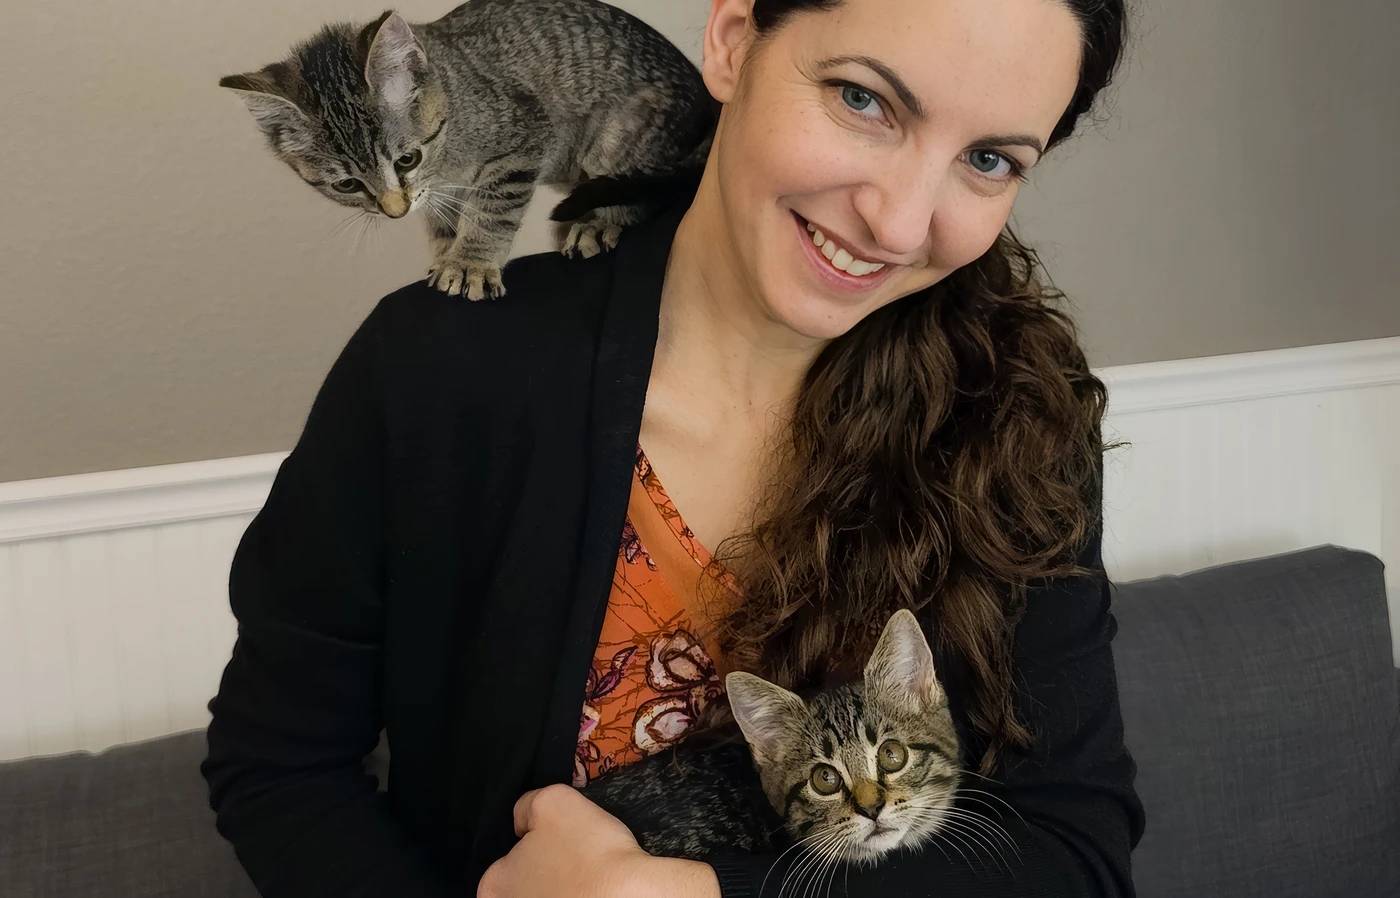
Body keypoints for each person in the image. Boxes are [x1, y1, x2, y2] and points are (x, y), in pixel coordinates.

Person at [201, 0, 1146, 895]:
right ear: (732, 39)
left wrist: (684, 891)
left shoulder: (1019, 413)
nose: (897, 222)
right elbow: (282, 769)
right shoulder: (433, 369)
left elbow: (1074, 856)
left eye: (989, 158)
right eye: (864, 99)